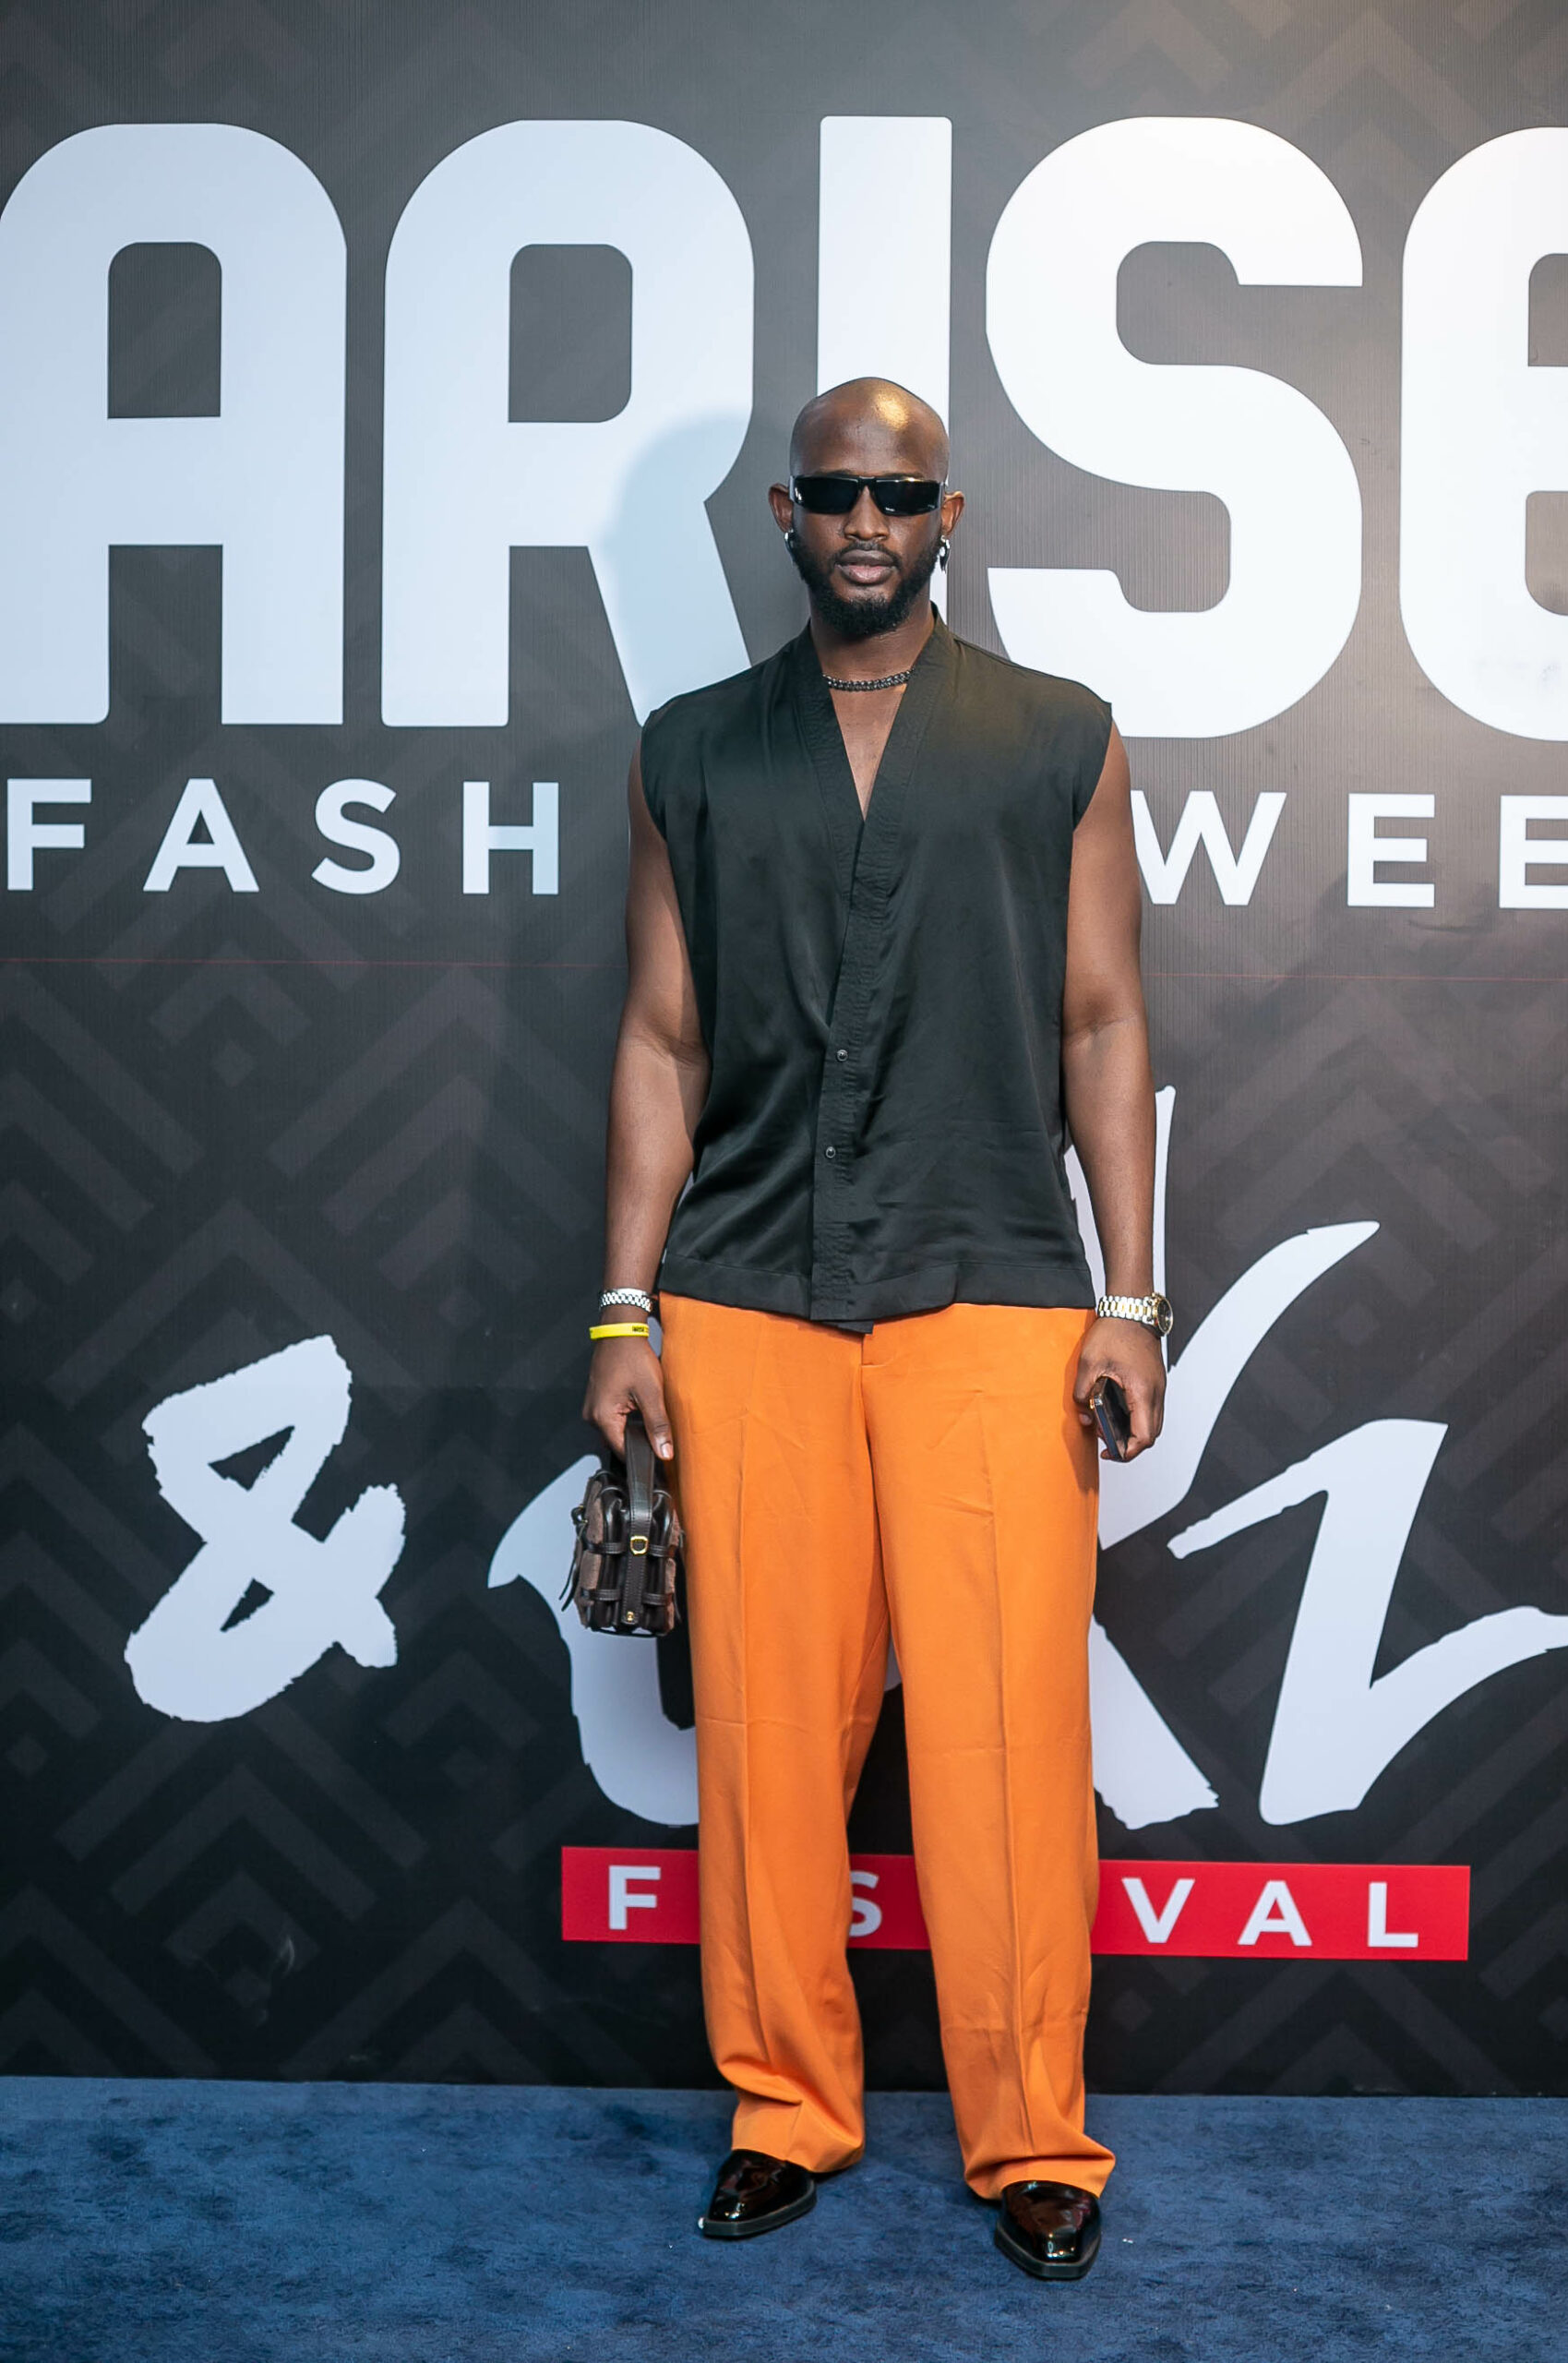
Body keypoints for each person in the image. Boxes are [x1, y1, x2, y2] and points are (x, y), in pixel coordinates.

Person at [582, 378, 1168, 2283]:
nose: (864, 520)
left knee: (1008, 1737)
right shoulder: (692, 750)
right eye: (832, 490)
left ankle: (1034, 2137)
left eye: (898, 494)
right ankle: (785, 2108)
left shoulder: (1057, 738)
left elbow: (1103, 1018)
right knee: (765, 1740)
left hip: (995, 1285)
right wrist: (621, 1306)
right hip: (745, 1293)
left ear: (947, 515)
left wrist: (1133, 1294)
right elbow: (660, 1039)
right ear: (784, 512)